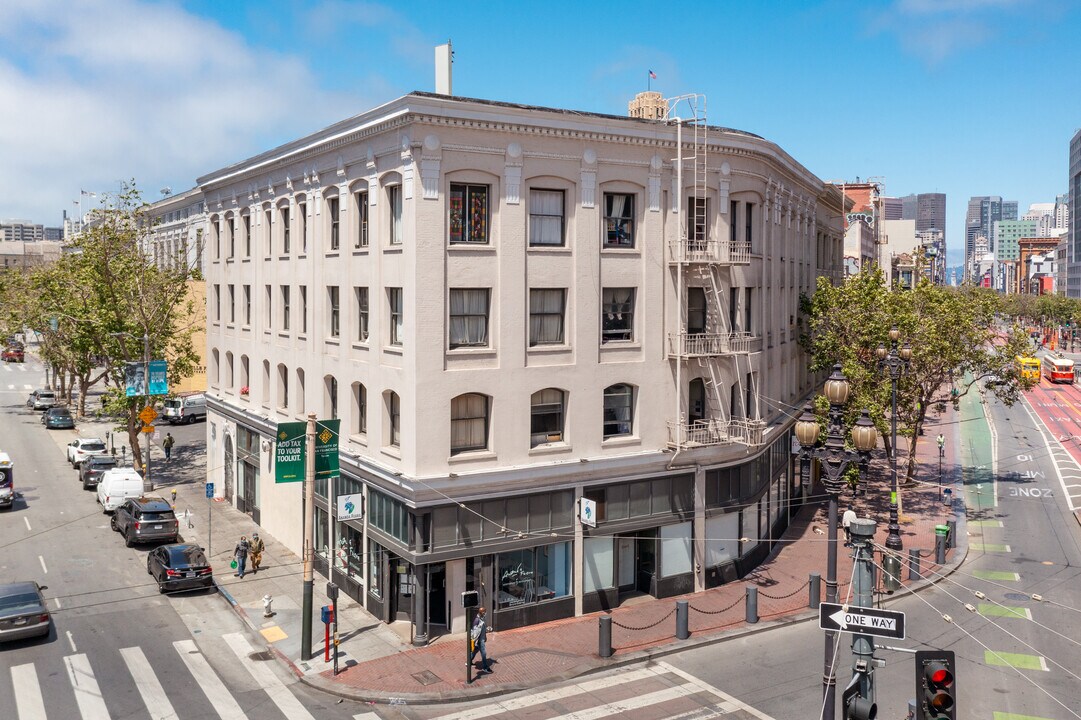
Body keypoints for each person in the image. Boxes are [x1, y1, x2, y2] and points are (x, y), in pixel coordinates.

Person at [470, 606, 492, 673]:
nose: (485, 613)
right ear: (481, 612)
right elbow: (474, 631)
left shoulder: (482, 619)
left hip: (481, 639)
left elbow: (481, 629)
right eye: (484, 612)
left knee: (474, 651)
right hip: (479, 640)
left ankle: (469, 661)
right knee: (484, 653)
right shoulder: (477, 620)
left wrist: (487, 629)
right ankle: (485, 667)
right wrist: (476, 640)